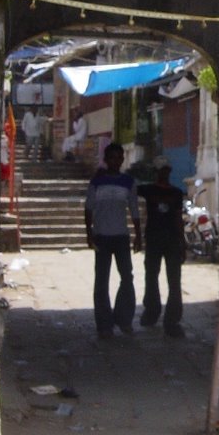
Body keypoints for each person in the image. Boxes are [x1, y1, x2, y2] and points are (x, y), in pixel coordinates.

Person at [84, 142, 142, 340]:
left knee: (127, 277)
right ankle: (104, 324)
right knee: (102, 281)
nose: (116, 161)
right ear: (106, 159)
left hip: (121, 237)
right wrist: (89, 233)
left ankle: (123, 318)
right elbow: (88, 208)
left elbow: (134, 210)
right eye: (112, 158)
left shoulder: (128, 182)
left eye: (119, 158)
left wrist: (138, 236)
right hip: (101, 235)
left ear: (122, 160)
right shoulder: (97, 182)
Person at [138, 156, 187, 338]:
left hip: (171, 240)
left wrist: (182, 242)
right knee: (152, 276)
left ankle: (171, 319)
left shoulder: (176, 193)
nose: (164, 173)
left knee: (173, 280)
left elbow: (177, 218)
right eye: (161, 170)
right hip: (154, 239)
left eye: (166, 170)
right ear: (157, 172)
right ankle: (152, 311)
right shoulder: (148, 190)